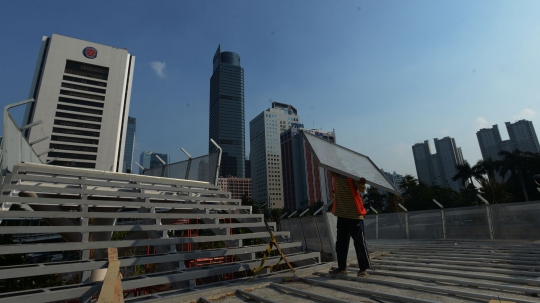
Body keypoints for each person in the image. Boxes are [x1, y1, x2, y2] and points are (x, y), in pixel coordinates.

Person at [328, 173, 371, 277]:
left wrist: (362, 183)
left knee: (359, 242)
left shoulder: (351, 175)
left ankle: (363, 269)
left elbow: (361, 189)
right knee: (341, 243)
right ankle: (342, 268)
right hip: (342, 215)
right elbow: (328, 167)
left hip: (354, 214)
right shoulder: (335, 175)